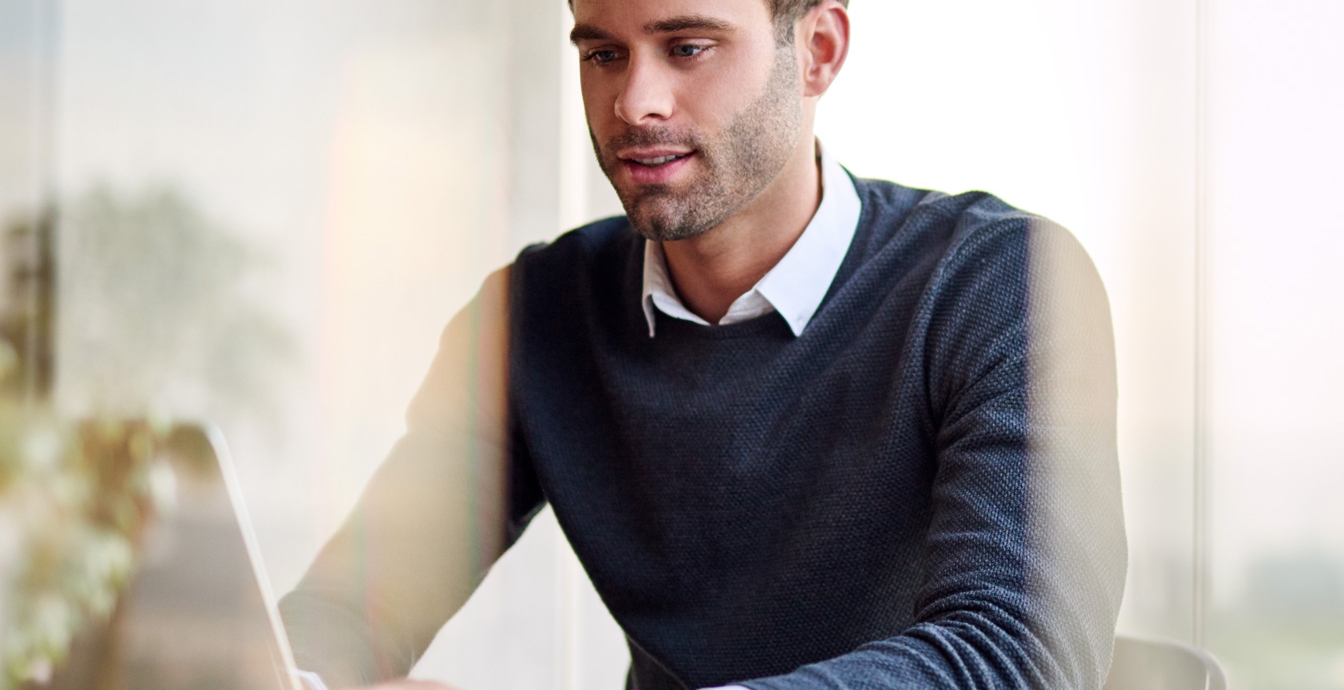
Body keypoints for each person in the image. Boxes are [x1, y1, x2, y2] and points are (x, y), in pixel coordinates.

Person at [278, 0, 1127, 687]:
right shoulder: (537, 314)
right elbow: (351, 611)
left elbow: (1019, 657)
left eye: (686, 47)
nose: (634, 103)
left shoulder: (998, 283)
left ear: (818, 51)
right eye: (603, 53)